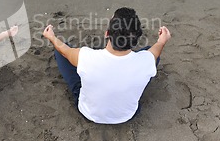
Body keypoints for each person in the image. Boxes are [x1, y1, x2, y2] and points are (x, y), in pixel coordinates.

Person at [42, 7, 171, 124]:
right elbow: (156, 50)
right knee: (151, 55)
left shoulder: (86, 57)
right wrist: (162, 40)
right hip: (127, 115)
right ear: (136, 39)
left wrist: (52, 38)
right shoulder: (146, 60)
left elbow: (65, 51)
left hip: (89, 112)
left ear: (107, 33)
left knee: (60, 52)